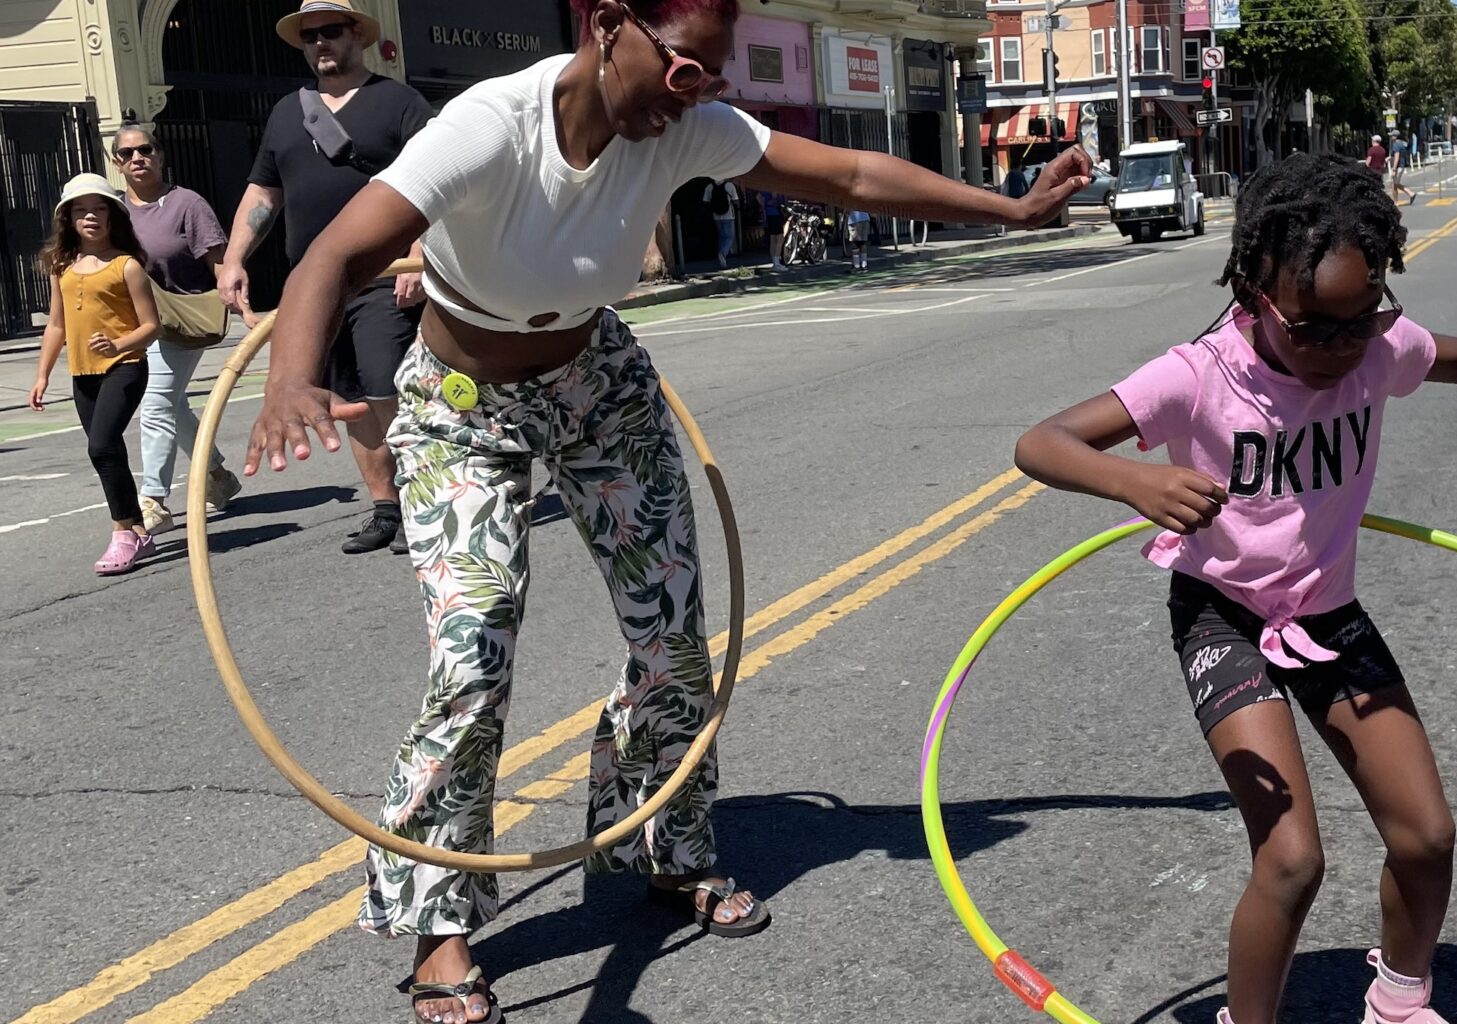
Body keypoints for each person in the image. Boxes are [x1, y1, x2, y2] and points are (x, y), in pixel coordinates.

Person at [237, 0, 1091, 1018]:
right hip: (461, 407)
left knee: (672, 637)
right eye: (686, 68)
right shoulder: (489, 125)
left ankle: (666, 846)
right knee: (472, 655)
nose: (699, 95)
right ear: (610, 24)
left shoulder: (684, 127)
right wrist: (290, 375)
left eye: (715, 77)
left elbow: (854, 176)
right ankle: (439, 920)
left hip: (600, 388)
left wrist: (1009, 210)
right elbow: (331, 255)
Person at [1012, 153, 1457, 1024]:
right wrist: (1134, 483)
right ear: (1254, 293)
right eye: (1312, 328)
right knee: (1292, 858)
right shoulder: (1198, 375)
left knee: (1427, 834)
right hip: (1223, 617)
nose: (1342, 347)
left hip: (1325, 612)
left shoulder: (1374, 349)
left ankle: (1400, 999)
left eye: (1362, 319)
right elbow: (1042, 443)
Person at [217, 0, 432, 555]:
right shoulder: (288, 112)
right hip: (315, 289)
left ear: (356, 35)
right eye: (310, 36)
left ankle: (421, 500)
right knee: (351, 399)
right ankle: (385, 508)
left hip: (385, 276)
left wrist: (418, 254)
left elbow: (438, 182)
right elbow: (264, 191)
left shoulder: (398, 102)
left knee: (388, 387)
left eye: (330, 31)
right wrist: (235, 258)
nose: (320, 44)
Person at [112, 125, 245, 535]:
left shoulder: (187, 204)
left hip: (182, 319)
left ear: (160, 155)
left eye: (145, 149)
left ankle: (153, 501)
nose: (137, 158)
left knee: (155, 403)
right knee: (172, 403)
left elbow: (219, 262)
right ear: (116, 162)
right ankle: (218, 475)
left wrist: (243, 306)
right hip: (135, 324)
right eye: (127, 154)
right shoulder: (114, 210)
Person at [29, 175, 163, 575]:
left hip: (126, 367)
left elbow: (151, 326)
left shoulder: (127, 266)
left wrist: (118, 345)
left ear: (112, 215)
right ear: (68, 218)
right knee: (109, 451)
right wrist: (42, 375)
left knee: (101, 446)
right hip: (82, 373)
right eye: (81, 210)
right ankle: (139, 532)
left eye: (99, 208)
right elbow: (57, 325)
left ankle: (122, 532)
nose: (91, 216)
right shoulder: (62, 268)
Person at [702, 176, 739, 267]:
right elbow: (736, 200)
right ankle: (723, 253)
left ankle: (722, 261)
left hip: (716, 216)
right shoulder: (729, 185)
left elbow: (705, 202)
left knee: (722, 236)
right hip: (729, 215)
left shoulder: (709, 187)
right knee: (730, 237)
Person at [761, 187, 787, 269]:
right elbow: (773, 199)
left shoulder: (764, 188)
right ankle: (777, 262)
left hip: (769, 214)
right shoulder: (774, 186)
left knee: (773, 239)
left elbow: (758, 197)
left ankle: (774, 262)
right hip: (776, 214)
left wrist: (764, 207)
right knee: (779, 238)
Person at [1387, 130, 1415, 205]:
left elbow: (1397, 156)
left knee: (1395, 184)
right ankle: (1396, 201)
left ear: (1395, 136)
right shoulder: (1402, 144)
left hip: (1398, 166)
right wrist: (1389, 158)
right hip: (1401, 166)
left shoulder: (1396, 145)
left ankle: (1409, 194)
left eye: (1392, 136)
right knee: (1395, 184)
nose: (1391, 137)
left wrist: (1394, 169)